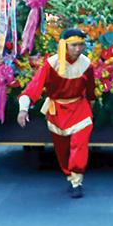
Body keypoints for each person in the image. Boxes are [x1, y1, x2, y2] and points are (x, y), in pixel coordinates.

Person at [18, 27, 97, 198]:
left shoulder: (86, 65)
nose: (78, 49)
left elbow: (91, 90)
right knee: (62, 150)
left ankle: (77, 180)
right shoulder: (51, 64)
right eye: (74, 45)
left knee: (79, 144)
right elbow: (34, 87)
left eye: (81, 45)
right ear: (64, 45)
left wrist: (91, 105)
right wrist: (23, 109)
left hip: (79, 108)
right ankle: (69, 176)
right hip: (57, 110)